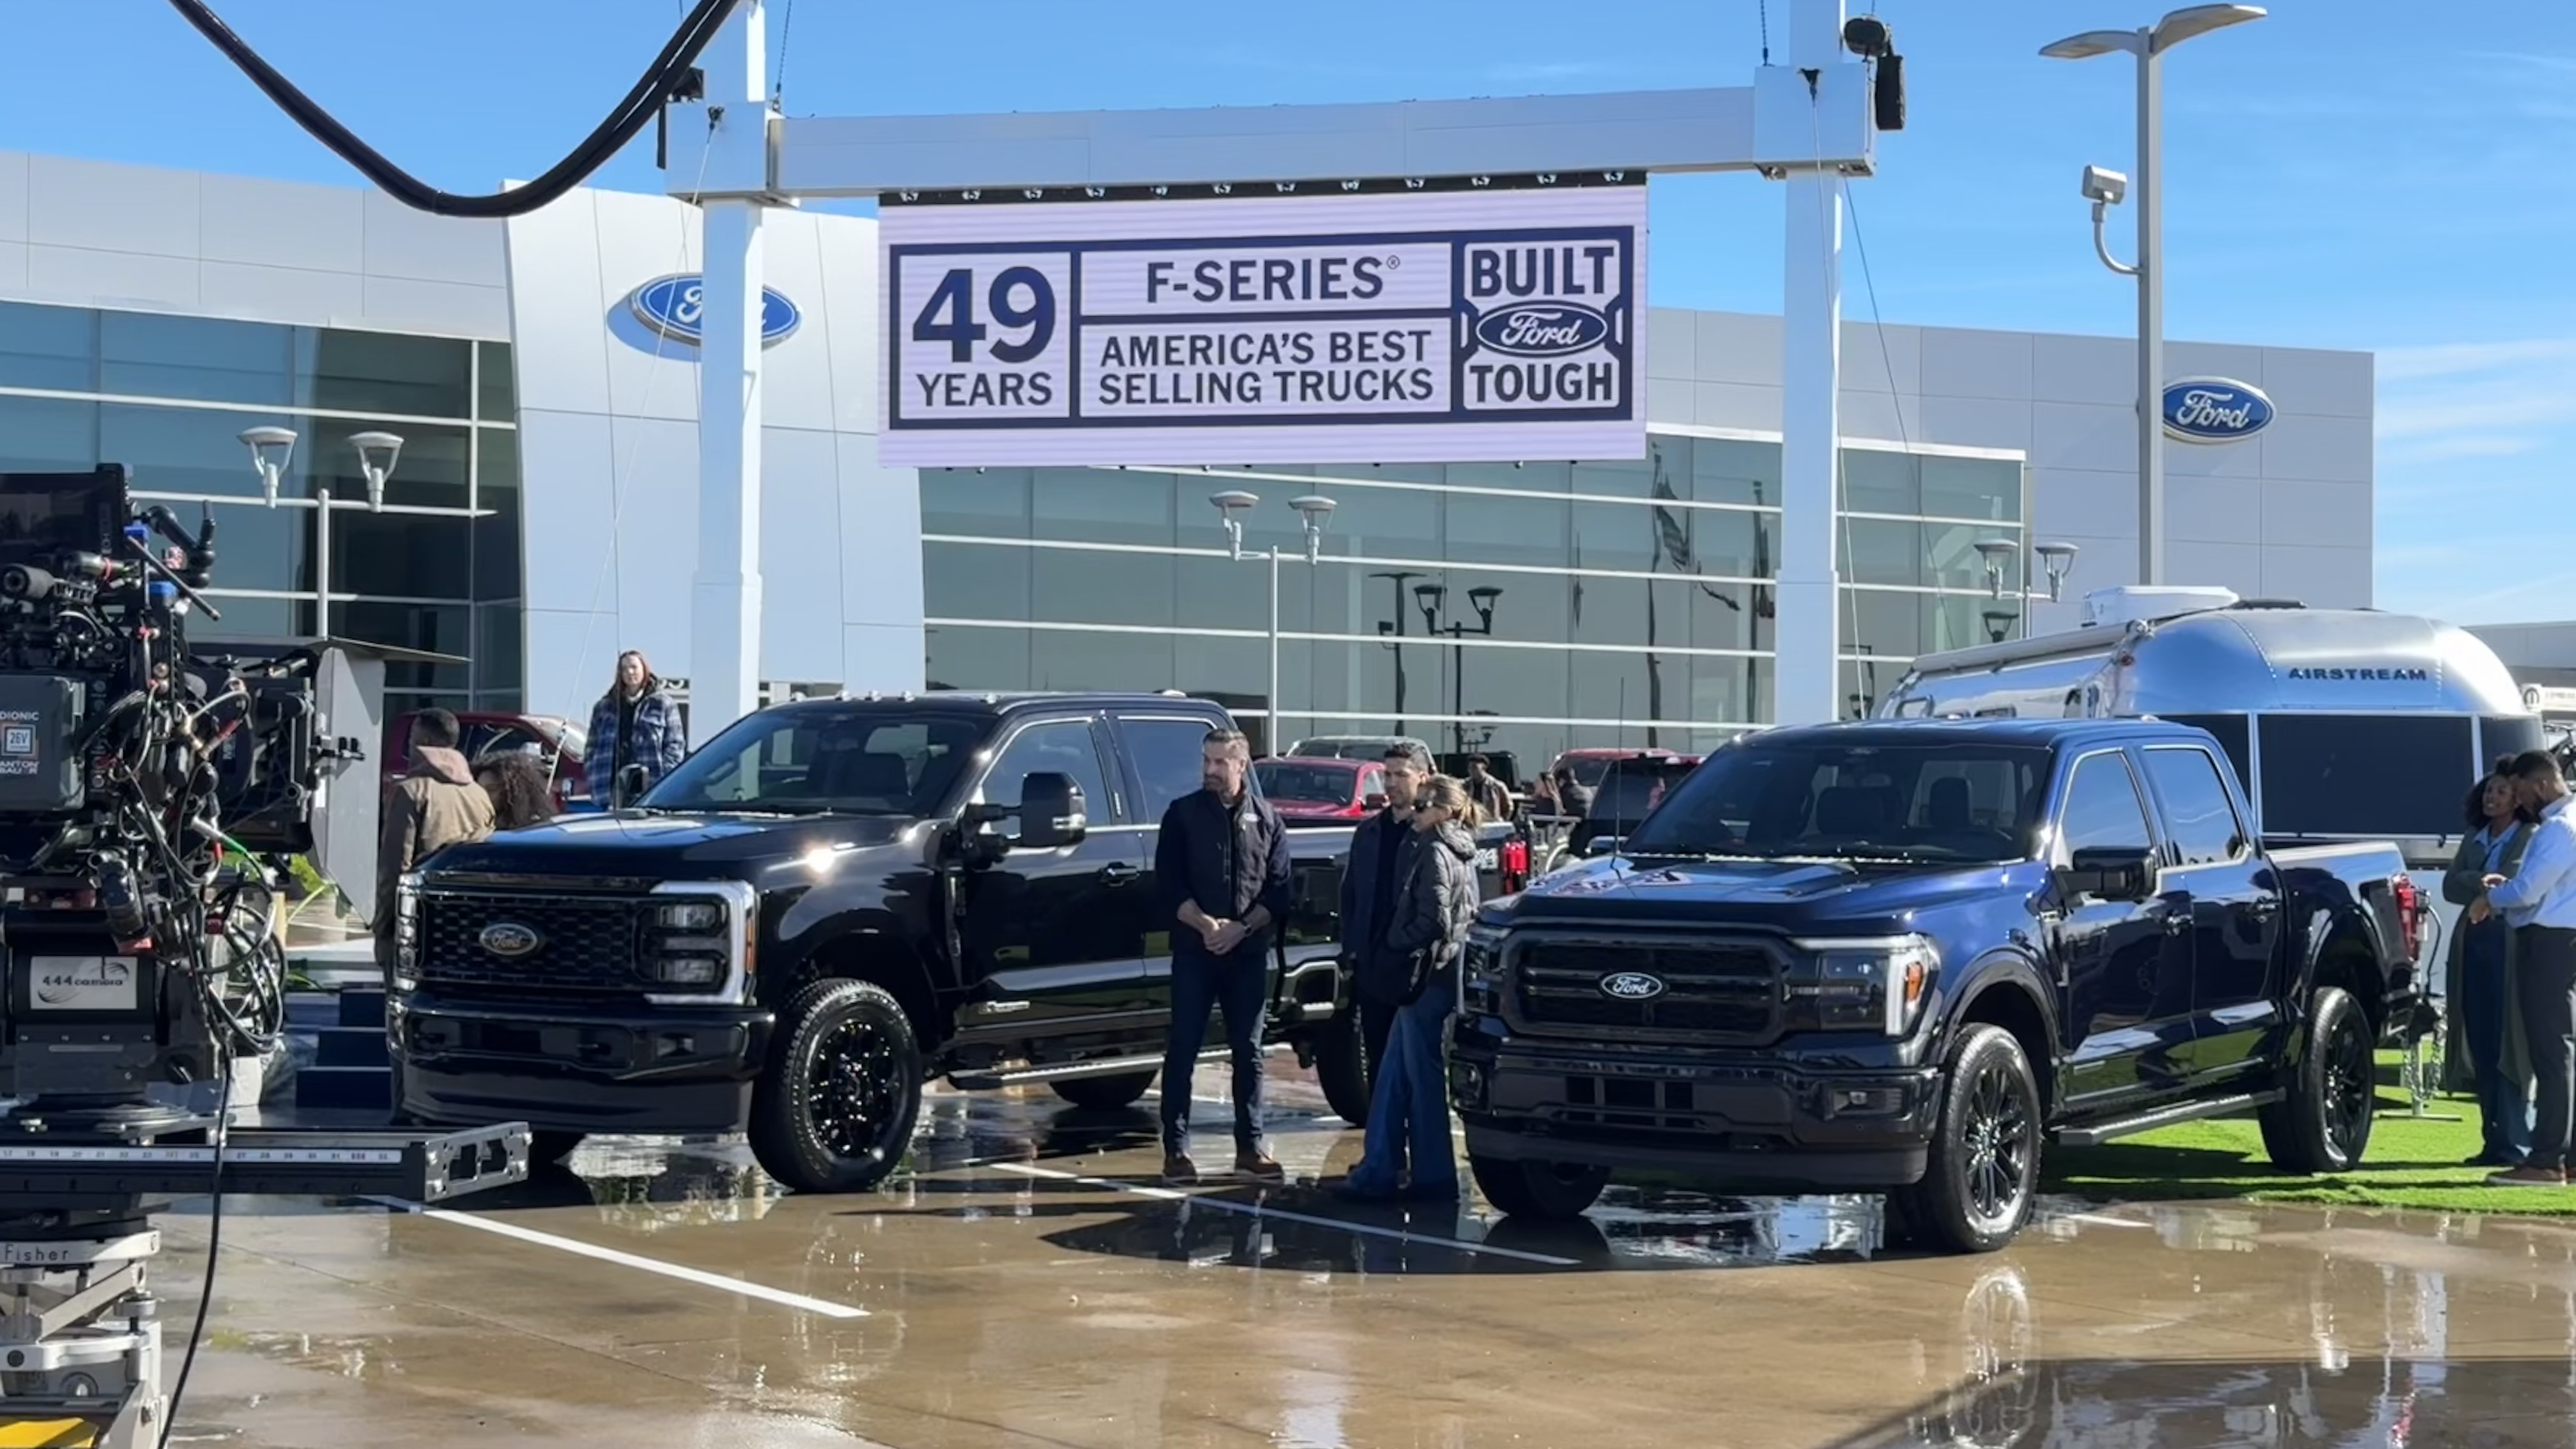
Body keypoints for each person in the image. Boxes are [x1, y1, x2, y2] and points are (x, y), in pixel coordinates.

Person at [1153, 728, 1292, 1185]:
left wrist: (1241, 928)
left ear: (1241, 764)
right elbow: (1169, 884)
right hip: (1196, 952)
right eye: (1206, 762)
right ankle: (1176, 1152)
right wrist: (1206, 925)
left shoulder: (1268, 819)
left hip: (1247, 954)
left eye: (1219, 763)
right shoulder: (1183, 815)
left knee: (1249, 1052)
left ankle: (1250, 1148)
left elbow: (1279, 889)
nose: (1210, 771)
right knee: (1183, 1050)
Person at [1338, 773, 1483, 1203]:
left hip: (1426, 977)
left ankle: (1431, 1177)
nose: (1415, 813)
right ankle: (1379, 1169)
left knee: (1419, 1078)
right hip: (1441, 974)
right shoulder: (1463, 848)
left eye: (1423, 806)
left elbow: (1435, 920)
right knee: (1394, 1077)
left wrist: (1392, 945)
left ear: (1444, 811)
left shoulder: (1437, 849)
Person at [2472, 749, 2576, 1186]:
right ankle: (2565, 1156)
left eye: (2518, 791)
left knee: (2551, 1052)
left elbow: (2531, 891)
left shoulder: (2558, 826)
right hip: (2562, 939)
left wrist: (2490, 898)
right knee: (2563, 1051)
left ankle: (2547, 1159)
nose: (2518, 801)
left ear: (2539, 784)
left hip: (2550, 945)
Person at [2444, 762, 2536, 1167]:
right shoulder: (2474, 836)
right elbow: (2451, 885)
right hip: (2473, 944)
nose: (2491, 797)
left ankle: (2517, 1142)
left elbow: (2512, 881)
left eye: (2500, 791)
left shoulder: (2529, 835)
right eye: (2488, 791)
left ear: (2517, 799)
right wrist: (2481, 880)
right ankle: (2491, 1140)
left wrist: (2475, 879)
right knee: (2480, 1041)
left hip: (2509, 944)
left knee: (2508, 1044)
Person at [1338, 742, 1431, 1083]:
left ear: (1423, 778)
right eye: (1386, 775)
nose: (1391, 783)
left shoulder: (1432, 836)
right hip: (1373, 968)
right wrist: (1353, 950)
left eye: (1400, 775)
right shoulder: (1368, 832)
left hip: (1416, 971)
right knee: (1380, 1064)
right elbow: (1350, 895)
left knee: (1418, 1065)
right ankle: (1383, 1135)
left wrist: (1409, 947)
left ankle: (1418, 1135)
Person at [585, 650, 687, 807]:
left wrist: (665, 778)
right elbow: (591, 746)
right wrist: (592, 771)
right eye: (624, 669)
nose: (629, 672)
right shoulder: (604, 706)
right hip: (610, 787)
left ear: (644, 669)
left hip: (650, 786)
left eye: (634, 667)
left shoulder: (663, 704)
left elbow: (675, 744)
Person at [476, 748, 560, 832]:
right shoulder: (478, 825)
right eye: (480, 790)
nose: (484, 795)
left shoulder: (535, 828)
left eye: (492, 789)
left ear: (512, 791)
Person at [1465, 755, 1512, 820]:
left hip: (1491, 823)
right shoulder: (1465, 785)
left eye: (1474, 767)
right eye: (1470, 768)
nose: (1471, 771)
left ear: (1484, 768)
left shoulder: (1497, 786)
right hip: (1471, 822)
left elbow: (1508, 806)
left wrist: (1502, 821)